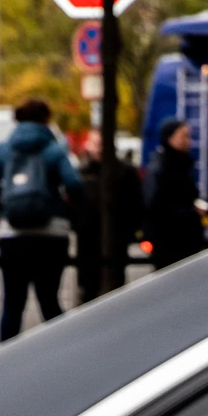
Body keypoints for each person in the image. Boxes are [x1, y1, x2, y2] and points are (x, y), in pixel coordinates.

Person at [0, 99, 84, 343]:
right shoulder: (54, 150)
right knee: (49, 300)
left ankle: (5, 359)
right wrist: (66, 210)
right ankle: (63, 353)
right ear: (46, 120)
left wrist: (2, 211)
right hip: (51, 234)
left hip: (13, 234)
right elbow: (74, 184)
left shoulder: (3, 149)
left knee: (12, 303)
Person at [74, 130, 144, 304]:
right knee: (88, 289)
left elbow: (136, 205)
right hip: (88, 240)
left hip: (116, 240)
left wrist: (128, 232)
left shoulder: (125, 172)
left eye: (102, 144)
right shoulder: (81, 173)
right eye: (95, 144)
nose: (99, 149)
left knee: (115, 287)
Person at [143, 119, 206, 269]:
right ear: (170, 138)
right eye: (184, 136)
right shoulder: (162, 167)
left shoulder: (182, 164)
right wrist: (191, 212)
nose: (189, 141)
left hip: (184, 239)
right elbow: (157, 206)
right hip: (170, 241)